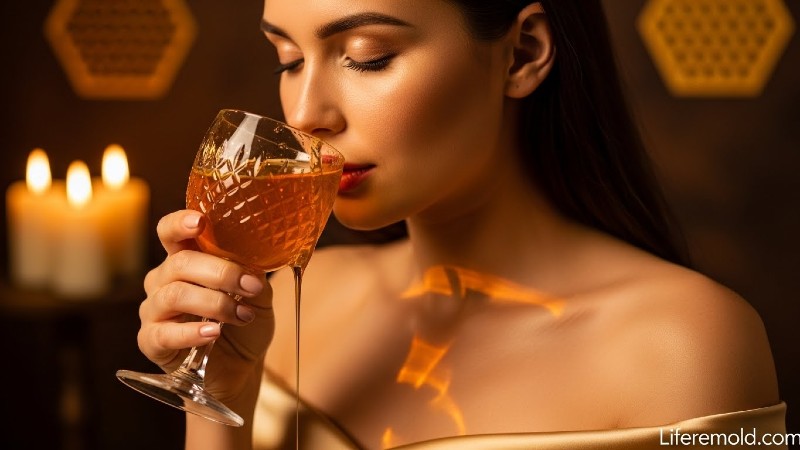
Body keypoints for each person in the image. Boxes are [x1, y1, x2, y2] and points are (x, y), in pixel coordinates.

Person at [136, 1, 786, 448]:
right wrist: (218, 397)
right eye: (288, 59)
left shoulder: (685, 347)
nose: (306, 114)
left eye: (367, 56)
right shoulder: (276, 302)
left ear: (523, 53)